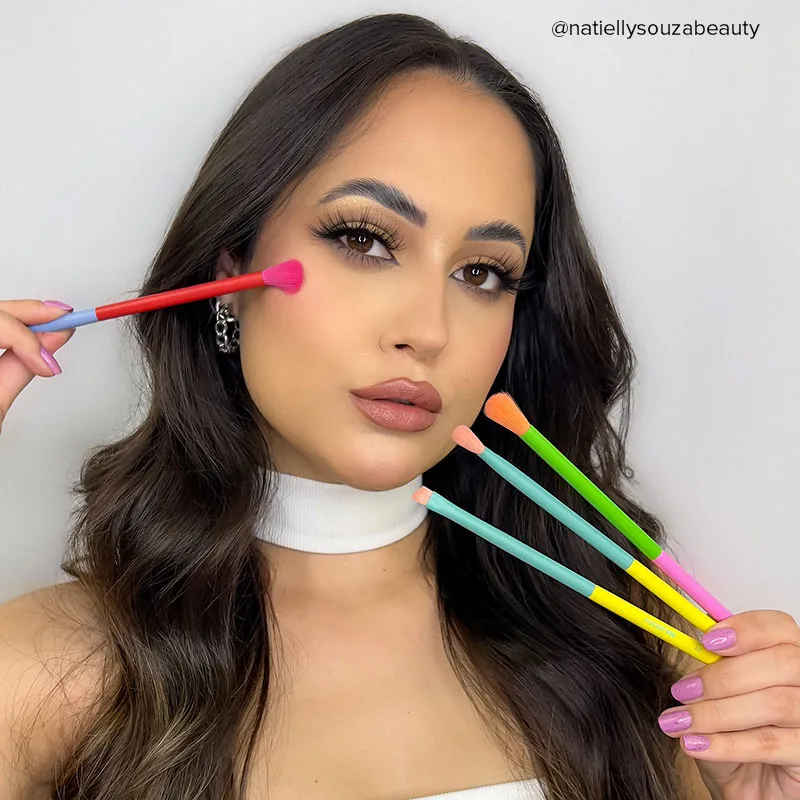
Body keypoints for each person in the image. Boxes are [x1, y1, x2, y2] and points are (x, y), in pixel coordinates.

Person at [0, 13, 797, 800]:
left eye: (483, 273)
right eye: (364, 239)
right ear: (231, 275)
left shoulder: (649, 670)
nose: (428, 331)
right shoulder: (46, 674)